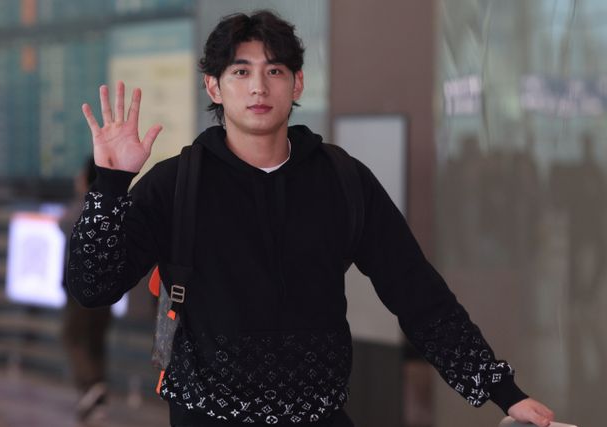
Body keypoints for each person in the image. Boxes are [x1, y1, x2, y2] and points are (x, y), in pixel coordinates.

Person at [67, 10, 555, 427]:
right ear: (213, 86)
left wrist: (503, 391)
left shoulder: (341, 179)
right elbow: (93, 286)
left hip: (320, 415)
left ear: (297, 82)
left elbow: (418, 294)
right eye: (240, 71)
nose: (259, 86)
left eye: (275, 70)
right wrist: (111, 185)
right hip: (206, 417)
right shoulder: (177, 184)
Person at [60, 157, 111, 422]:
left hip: (81, 290)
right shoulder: (112, 205)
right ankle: (96, 394)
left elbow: (63, 224)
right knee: (95, 340)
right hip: (107, 288)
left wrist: (82, 193)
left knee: (72, 336)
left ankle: (90, 385)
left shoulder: (85, 205)